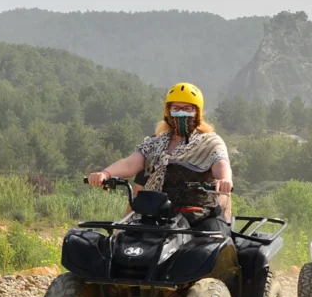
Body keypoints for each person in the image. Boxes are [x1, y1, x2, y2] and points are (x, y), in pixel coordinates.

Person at [86, 82, 233, 233]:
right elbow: (130, 163)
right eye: (176, 108)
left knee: (212, 245)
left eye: (187, 109)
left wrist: (224, 180)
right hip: (158, 215)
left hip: (200, 215)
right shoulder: (154, 143)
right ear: (168, 112)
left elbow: (221, 162)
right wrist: (106, 174)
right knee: (122, 243)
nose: (181, 113)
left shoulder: (210, 142)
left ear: (198, 112)